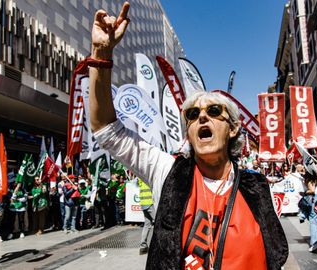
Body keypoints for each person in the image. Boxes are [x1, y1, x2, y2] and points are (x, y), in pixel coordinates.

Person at [89, 3, 288, 269]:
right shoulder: (168, 172)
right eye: (192, 115)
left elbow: (275, 254)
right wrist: (101, 56)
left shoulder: (257, 187)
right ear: (189, 133)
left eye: (214, 111)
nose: (202, 117)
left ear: (233, 128)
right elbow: (107, 129)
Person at [302, 171, 317, 252]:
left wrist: (304, 192)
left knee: (313, 220)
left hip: (315, 198)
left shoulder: (310, 179)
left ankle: (315, 242)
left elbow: (312, 190)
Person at [137, 178, 154, 255]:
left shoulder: (140, 178)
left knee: (147, 225)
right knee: (159, 223)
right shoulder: (147, 177)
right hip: (150, 203)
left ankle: (143, 247)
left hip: (144, 203)